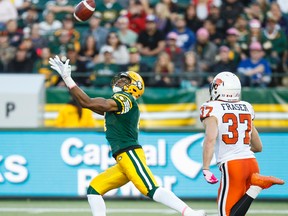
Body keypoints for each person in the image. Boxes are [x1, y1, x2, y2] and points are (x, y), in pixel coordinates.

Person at [49, 55, 206, 216]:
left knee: (151, 189)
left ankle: (189, 212)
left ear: (133, 87)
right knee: (94, 189)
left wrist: (68, 78)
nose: (119, 82)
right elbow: (86, 103)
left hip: (129, 153)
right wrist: (67, 80)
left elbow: (88, 102)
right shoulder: (120, 102)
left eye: (125, 81)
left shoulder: (126, 99)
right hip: (122, 157)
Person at [200, 71, 285, 216]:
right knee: (236, 212)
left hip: (232, 166)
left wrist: (206, 168)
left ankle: (256, 187)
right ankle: (255, 187)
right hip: (252, 163)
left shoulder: (212, 107)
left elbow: (210, 139)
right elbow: (258, 146)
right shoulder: (246, 107)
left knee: (226, 214)